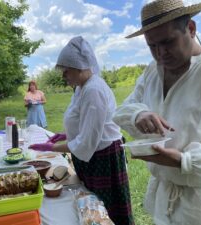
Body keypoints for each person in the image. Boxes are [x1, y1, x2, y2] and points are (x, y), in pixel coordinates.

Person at [112, 0, 201, 224]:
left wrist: (184, 161)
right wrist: (139, 114)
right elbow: (122, 110)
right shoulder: (152, 73)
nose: (160, 53)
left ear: (191, 28)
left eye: (168, 42)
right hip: (164, 199)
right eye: (152, 46)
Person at [29, 36, 134, 225]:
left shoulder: (94, 90)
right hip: (91, 156)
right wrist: (66, 135)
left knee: (104, 209)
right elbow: (82, 123)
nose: (63, 76)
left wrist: (50, 148)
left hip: (103, 158)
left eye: (66, 71)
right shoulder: (81, 88)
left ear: (80, 67)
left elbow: (87, 142)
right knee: (91, 206)